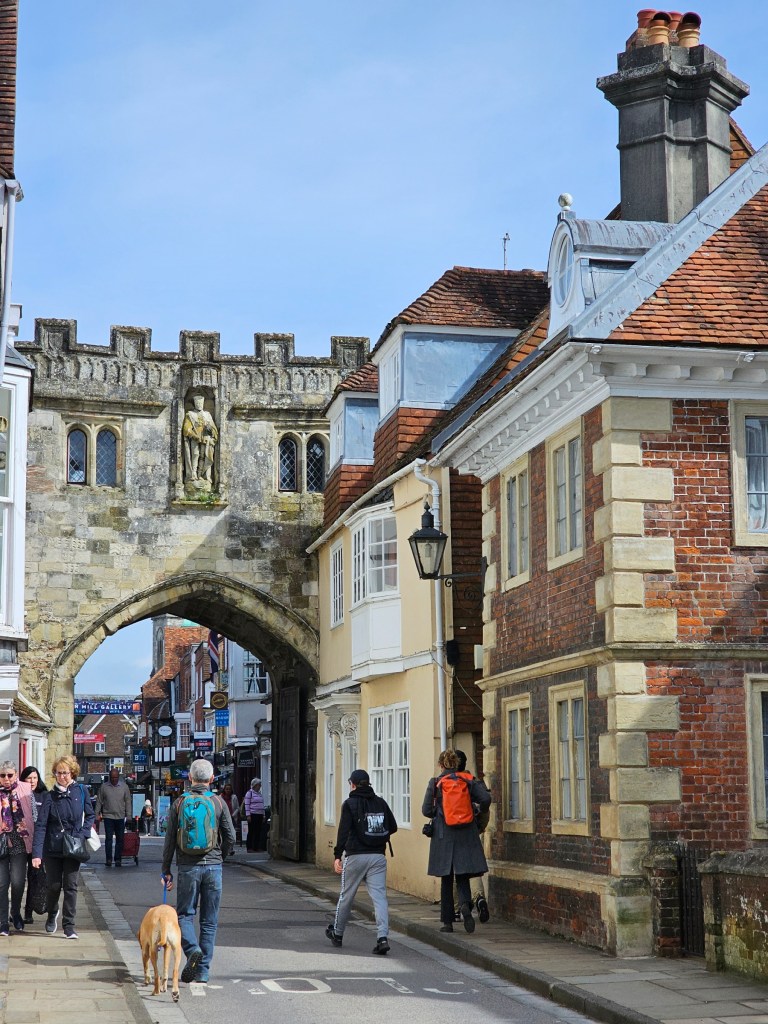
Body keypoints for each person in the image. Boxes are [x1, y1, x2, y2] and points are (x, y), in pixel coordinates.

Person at [161, 759, 236, 985]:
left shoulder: (179, 803)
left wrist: (166, 869)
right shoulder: (218, 803)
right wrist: (219, 857)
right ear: (212, 779)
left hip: (187, 867)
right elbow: (230, 837)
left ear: (190, 778)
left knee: (185, 915)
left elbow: (170, 840)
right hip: (213, 867)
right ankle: (203, 971)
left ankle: (192, 950)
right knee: (209, 921)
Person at [325, 768, 397, 955]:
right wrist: (377, 838)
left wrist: (337, 855)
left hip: (355, 855)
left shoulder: (349, 803)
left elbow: (343, 832)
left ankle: (338, 934)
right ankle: (382, 938)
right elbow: (393, 826)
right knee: (380, 898)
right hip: (378, 857)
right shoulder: (380, 802)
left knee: (346, 895)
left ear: (353, 784)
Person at [422, 748, 491, 934]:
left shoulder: (436, 783)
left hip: (444, 836)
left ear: (441, 764)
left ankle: (447, 923)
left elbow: (426, 810)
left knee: (446, 879)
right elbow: (486, 798)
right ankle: (465, 906)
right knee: (462, 874)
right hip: (466, 833)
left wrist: (440, 812)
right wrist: (475, 811)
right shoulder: (468, 780)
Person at [31, 754, 95, 939]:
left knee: (71, 886)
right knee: (53, 886)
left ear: (72, 773)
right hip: (53, 848)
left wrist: (83, 834)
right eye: (58, 773)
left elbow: (90, 816)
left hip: (73, 846)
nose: (62, 777)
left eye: (65, 773)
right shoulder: (50, 797)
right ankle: (52, 913)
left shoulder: (81, 791)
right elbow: (41, 825)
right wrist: (37, 853)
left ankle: (69, 926)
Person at [452, 750, 491, 924]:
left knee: (454, 870)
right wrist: (479, 827)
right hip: (471, 830)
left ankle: (456, 909)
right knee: (474, 869)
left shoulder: (446, 783)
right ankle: (479, 898)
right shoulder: (473, 782)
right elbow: (485, 805)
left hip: (452, 833)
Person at [0, 760, 36, 935]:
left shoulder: (26, 789)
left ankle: (15, 912)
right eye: (2, 775)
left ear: (15, 774)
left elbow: (34, 815)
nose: (6, 779)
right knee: (1, 884)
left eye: (9, 775)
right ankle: (2, 921)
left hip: (20, 842)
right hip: (1, 842)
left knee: (17, 881)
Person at [19, 765, 47, 924]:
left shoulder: (44, 795)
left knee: (34, 878)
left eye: (35, 778)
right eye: (29, 778)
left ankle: (28, 912)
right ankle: (14, 910)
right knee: (17, 880)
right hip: (21, 842)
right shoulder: (19, 795)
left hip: (38, 844)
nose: (32, 781)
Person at [95, 768, 132, 867]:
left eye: (116, 777)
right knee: (108, 839)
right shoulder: (104, 787)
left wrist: (129, 815)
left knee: (120, 839)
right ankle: (108, 859)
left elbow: (128, 802)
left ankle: (118, 859)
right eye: (112, 777)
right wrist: (96, 814)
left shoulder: (124, 787)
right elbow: (99, 801)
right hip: (108, 816)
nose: (114, 779)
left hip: (120, 816)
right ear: (109, 777)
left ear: (119, 776)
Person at [182, 394, 218, 483]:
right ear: (195, 403)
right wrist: (194, 435)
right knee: (195, 454)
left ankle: (202, 475)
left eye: (200, 403)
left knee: (204, 456)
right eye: (197, 403)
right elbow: (186, 429)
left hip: (205, 438)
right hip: (195, 437)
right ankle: (193, 473)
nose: (199, 405)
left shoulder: (207, 415)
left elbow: (214, 429)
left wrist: (209, 428)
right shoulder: (190, 414)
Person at [243, 778, 264, 852]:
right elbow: (247, 804)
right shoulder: (249, 793)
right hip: (253, 814)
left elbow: (262, 804)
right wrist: (248, 815)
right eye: (259, 785)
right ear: (255, 785)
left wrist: (263, 814)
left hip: (259, 814)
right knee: (251, 831)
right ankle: (249, 847)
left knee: (258, 831)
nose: (260, 786)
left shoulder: (259, 794)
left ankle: (256, 847)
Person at [220, 784, 239, 852]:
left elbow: (237, 807)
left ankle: (230, 848)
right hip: (223, 818)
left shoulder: (234, 797)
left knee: (231, 833)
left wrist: (233, 815)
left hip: (232, 818)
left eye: (229, 789)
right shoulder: (220, 797)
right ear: (224, 790)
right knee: (224, 833)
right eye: (226, 789)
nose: (228, 790)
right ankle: (225, 848)